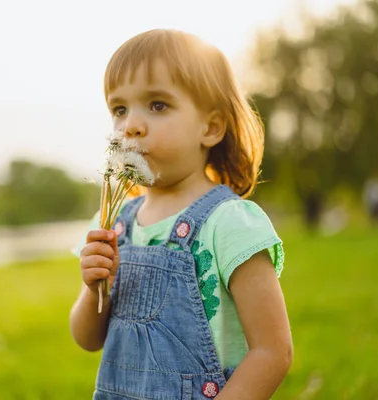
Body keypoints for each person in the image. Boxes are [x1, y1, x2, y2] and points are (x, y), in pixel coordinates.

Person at [69, 29, 293, 400]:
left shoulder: (229, 222)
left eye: (157, 105)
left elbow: (272, 351)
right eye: (119, 109)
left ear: (211, 127)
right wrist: (96, 291)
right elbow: (87, 339)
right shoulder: (112, 223)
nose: (131, 125)